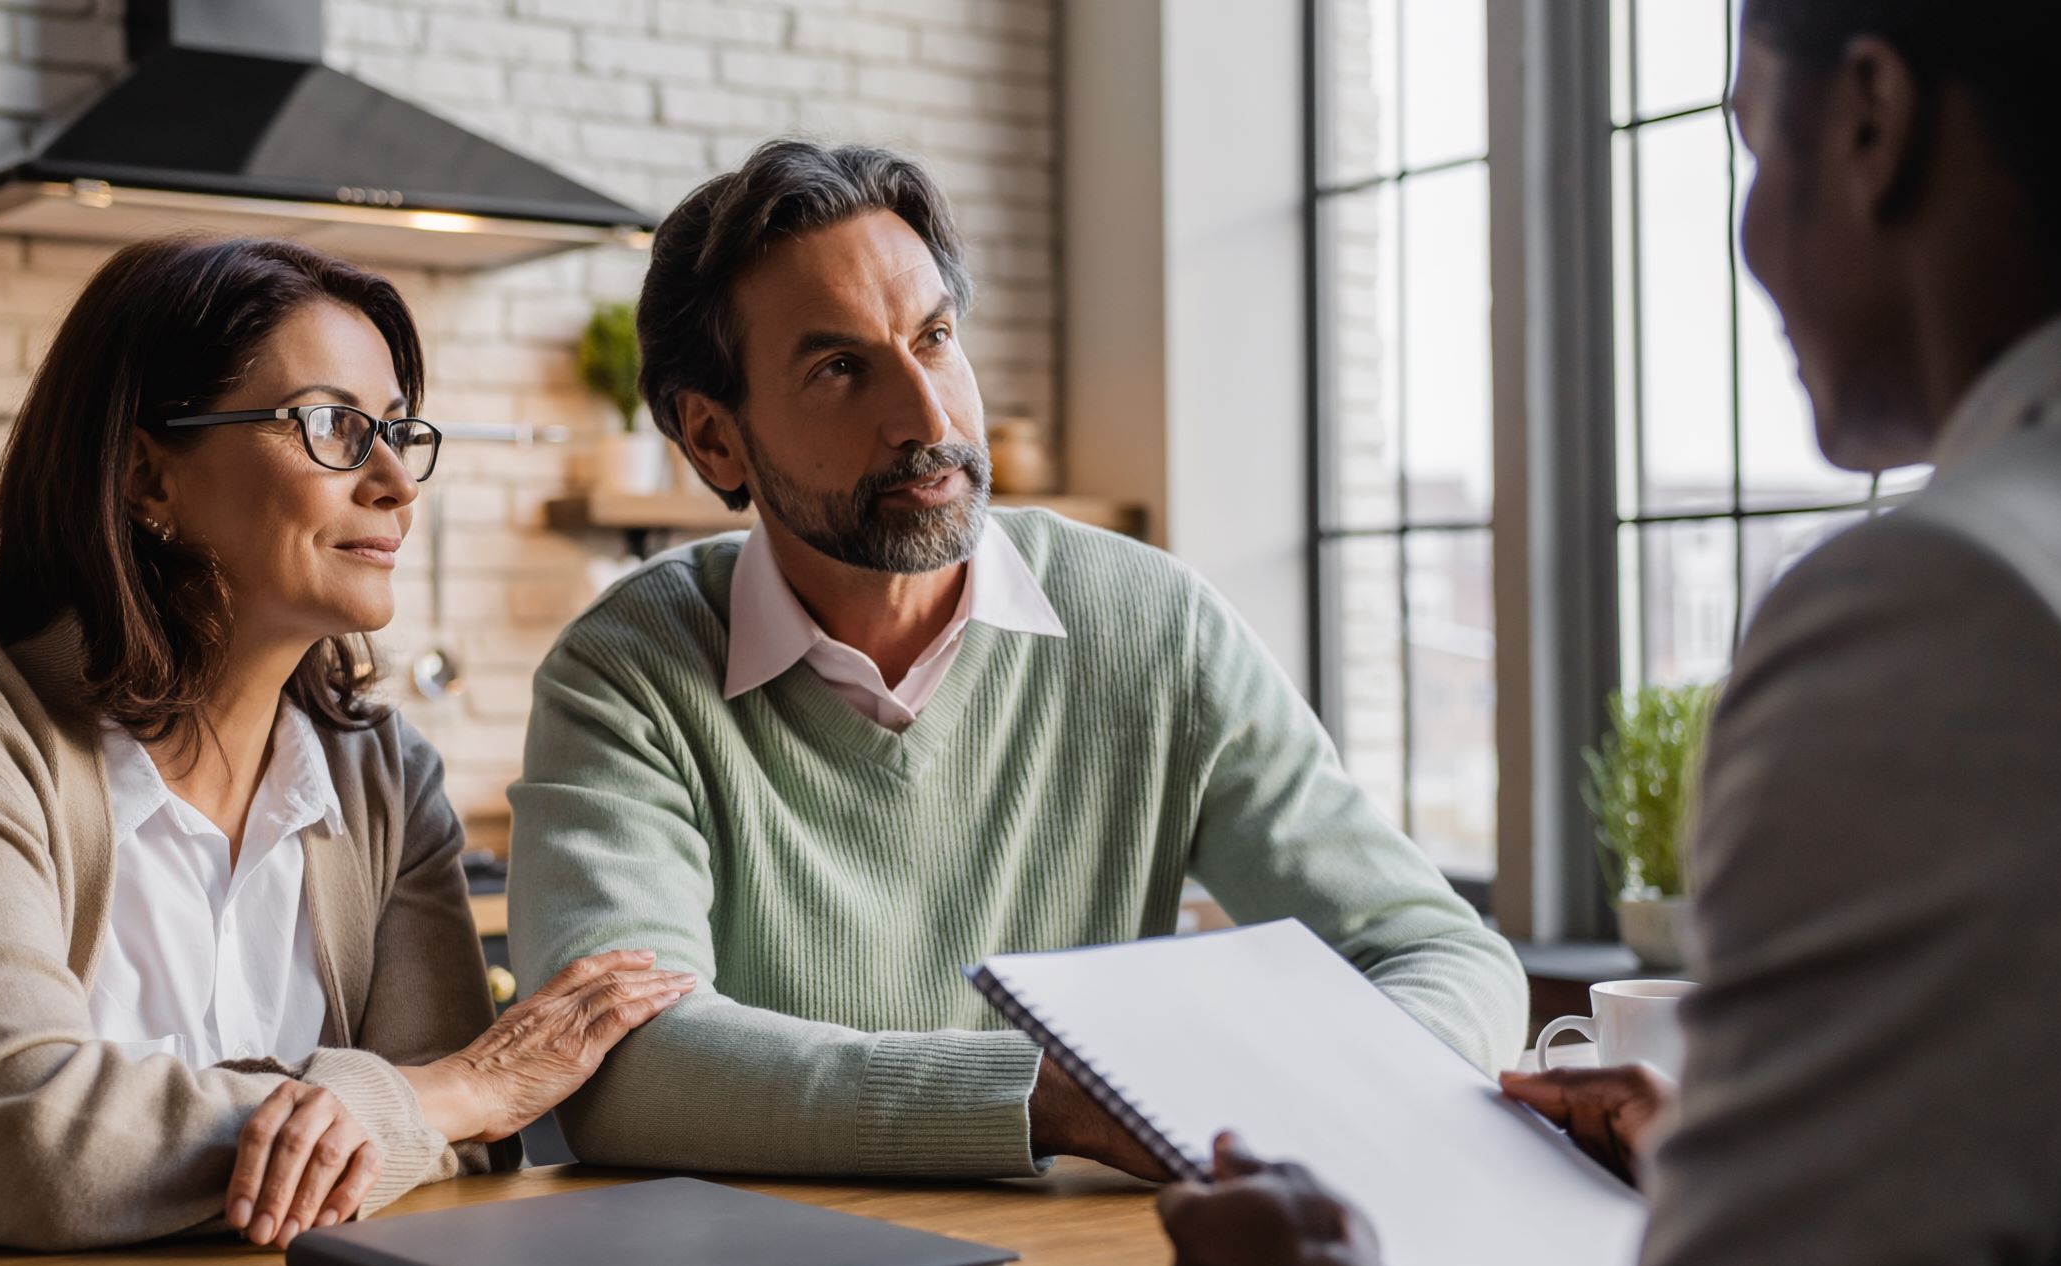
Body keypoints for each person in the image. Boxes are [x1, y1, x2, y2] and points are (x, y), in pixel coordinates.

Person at [1158, 0, 2061, 1266]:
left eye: (1751, 144)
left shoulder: (1946, 617)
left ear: (1869, 118)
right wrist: (1749, 1179)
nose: (1749, 236)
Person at [508, 141, 1523, 1180]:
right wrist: (1050, 1096)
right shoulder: (627, 670)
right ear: (715, 440)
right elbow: (616, 1065)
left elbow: (1444, 958)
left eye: (935, 337)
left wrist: (1324, 1099)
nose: (929, 417)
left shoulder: (1154, 627)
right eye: (839, 368)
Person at [0, 237, 691, 1252]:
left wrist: (426, 1102)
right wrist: (423, 1098)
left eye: (397, 430)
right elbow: (36, 1151)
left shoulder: (385, 779)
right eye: (333, 425)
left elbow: (467, 1138)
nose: (396, 480)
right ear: (147, 476)